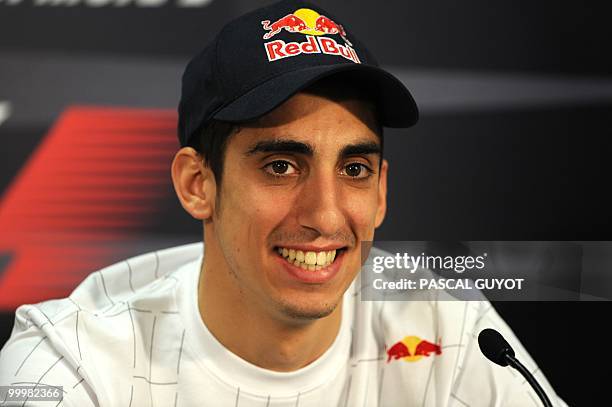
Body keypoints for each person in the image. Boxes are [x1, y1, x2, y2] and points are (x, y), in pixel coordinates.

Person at [0, 1, 567, 406]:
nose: (324, 215)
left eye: (354, 169)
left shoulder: (450, 331)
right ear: (198, 184)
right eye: (280, 166)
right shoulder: (74, 360)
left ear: (382, 192)